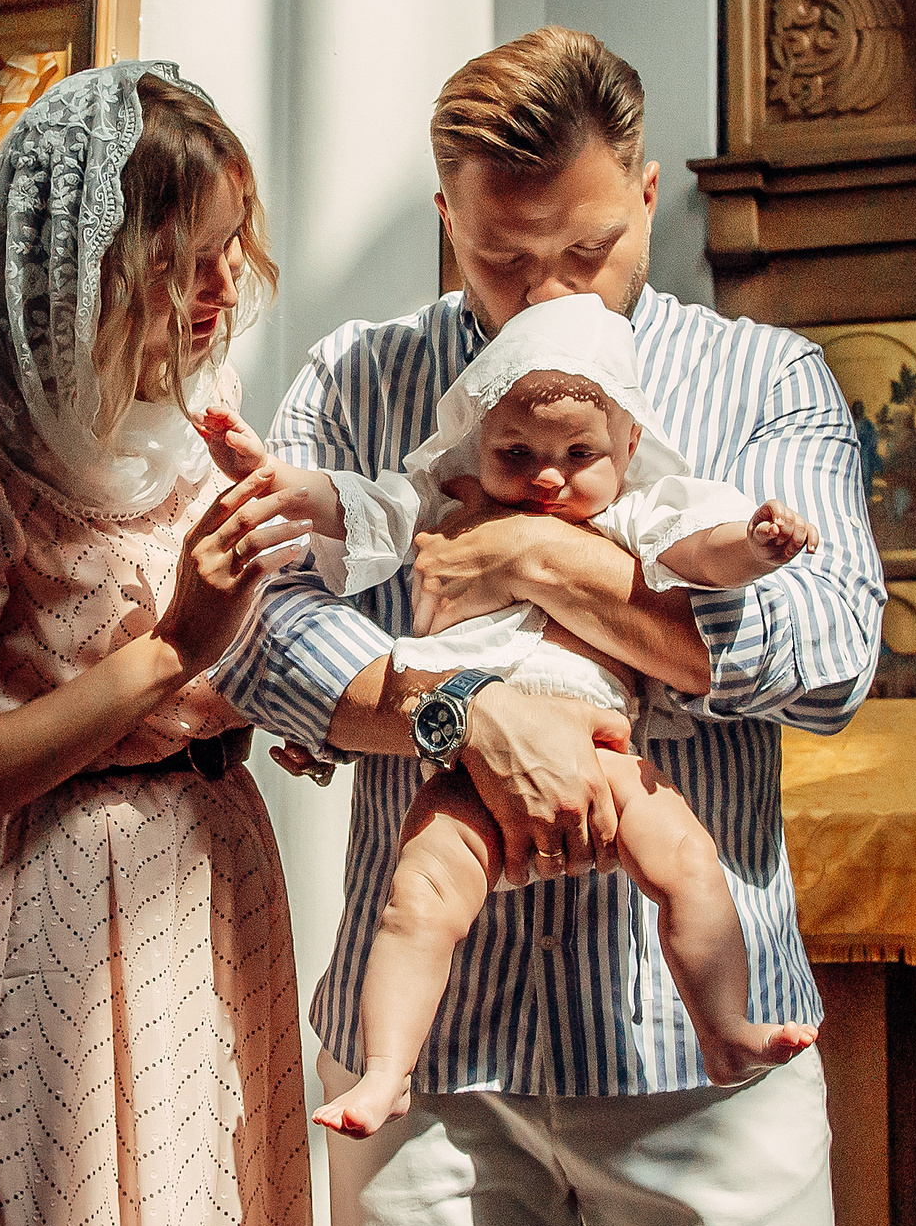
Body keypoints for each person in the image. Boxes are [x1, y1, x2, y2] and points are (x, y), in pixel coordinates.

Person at [215, 27, 882, 1226]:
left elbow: (833, 650)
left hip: (693, 1058)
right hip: (422, 1050)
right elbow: (262, 632)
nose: (548, 295)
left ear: (645, 194)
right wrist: (462, 712)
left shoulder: (759, 379)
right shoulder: (361, 376)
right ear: (444, 216)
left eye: (588, 251)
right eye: (501, 260)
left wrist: (526, 553)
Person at [0, 62, 313, 1226]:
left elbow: (241, 648)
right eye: (186, 260)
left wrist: (289, 664)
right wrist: (170, 650)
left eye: (233, 248)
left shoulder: (195, 409)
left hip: (219, 864)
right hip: (72, 894)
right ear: (93, 259)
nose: (224, 289)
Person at [199, 293, 822, 1137]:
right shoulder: (447, 499)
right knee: (417, 899)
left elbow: (701, 549)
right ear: (476, 439)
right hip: (464, 755)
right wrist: (284, 485)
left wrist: (756, 544)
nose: (548, 474)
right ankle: (387, 1069)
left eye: (578, 453)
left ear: (628, 445)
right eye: (516, 450)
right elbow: (356, 505)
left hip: (605, 747)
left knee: (688, 862)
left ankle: (723, 1027)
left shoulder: (633, 510)